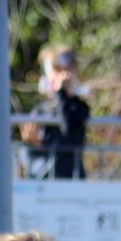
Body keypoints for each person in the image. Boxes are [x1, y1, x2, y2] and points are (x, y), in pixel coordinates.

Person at [21, 45, 91, 180]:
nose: (63, 76)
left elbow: (68, 125)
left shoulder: (79, 107)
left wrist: (62, 93)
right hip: (44, 183)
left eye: (67, 70)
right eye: (57, 70)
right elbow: (28, 157)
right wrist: (33, 143)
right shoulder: (40, 110)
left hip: (72, 181)